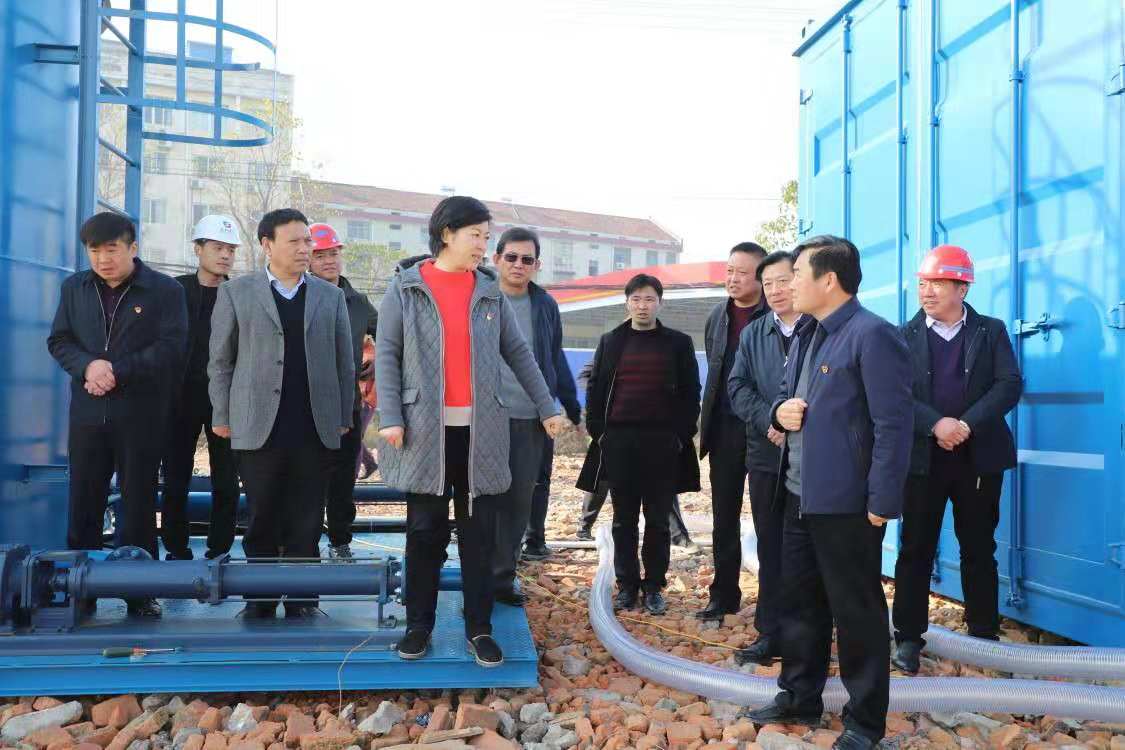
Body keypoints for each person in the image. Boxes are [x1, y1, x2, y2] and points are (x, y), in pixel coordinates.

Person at [375, 196, 566, 667]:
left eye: (486, 235)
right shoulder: (406, 287)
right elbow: (388, 353)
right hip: (424, 432)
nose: (483, 244)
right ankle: (418, 625)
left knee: (479, 534)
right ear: (447, 234)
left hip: (481, 433)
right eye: (476, 235)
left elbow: (518, 353)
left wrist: (547, 406)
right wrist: (391, 415)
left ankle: (479, 628)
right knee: (425, 532)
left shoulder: (488, 291)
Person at [745, 235, 912, 750]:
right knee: (800, 605)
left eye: (797, 273)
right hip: (798, 494)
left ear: (829, 280)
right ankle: (799, 696)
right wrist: (779, 412)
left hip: (848, 505)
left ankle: (864, 722)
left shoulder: (872, 335)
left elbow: (894, 425)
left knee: (856, 612)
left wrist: (882, 502)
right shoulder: (807, 332)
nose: (788, 282)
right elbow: (784, 397)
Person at [208, 208, 355, 619]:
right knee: (262, 514)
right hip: (257, 423)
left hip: (314, 423)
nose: (305, 248)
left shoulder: (330, 296)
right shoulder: (237, 292)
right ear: (267, 245)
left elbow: (344, 362)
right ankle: (260, 599)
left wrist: (343, 413)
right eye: (295, 241)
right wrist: (221, 413)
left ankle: (303, 600)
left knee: (307, 516)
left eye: (308, 241)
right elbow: (220, 361)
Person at [47, 211, 188, 617]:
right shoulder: (74, 288)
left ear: (132, 248)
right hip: (88, 413)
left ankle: (140, 593)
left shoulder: (164, 290)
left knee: (138, 503)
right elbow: (59, 340)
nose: (103, 259)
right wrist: (88, 367)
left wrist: (117, 371)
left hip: (141, 415)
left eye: (112, 249)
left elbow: (172, 346)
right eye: (94, 251)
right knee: (84, 502)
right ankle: (80, 592)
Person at [890, 245, 1022, 673]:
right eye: (923, 283)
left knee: (979, 547)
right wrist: (936, 425)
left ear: (962, 288)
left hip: (978, 459)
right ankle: (908, 638)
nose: (926, 291)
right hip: (922, 460)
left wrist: (964, 425)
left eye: (937, 283)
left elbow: (1008, 384)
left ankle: (983, 635)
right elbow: (894, 395)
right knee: (916, 548)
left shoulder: (990, 331)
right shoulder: (902, 337)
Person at [576, 274, 701, 616]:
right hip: (619, 441)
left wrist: (681, 434)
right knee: (623, 519)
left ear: (660, 303)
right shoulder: (611, 341)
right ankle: (627, 585)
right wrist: (599, 432)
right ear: (627, 302)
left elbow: (691, 392)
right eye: (636, 299)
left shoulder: (677, 343)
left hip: (662, 442)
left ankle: (654, 586)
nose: (642, 306)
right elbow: (595, 388)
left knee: (658, 519)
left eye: (649, 299)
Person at [487, 227, 582, 595]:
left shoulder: (545, 306)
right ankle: (478, 579)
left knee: (518, 501)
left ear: (537, 265)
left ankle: (502, 578)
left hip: (530, 416)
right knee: (483, 501)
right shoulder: (480, 298)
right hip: (485, 416)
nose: (518, 264)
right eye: (511, 257)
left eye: (527, 259)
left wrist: (569, 405)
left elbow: (554, 357)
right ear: (496, 259)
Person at [727, 250, 803, 663]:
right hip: (765, 454)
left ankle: (808, 634)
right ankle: (770, 633)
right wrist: (770, 419)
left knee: (805, 549)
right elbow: (737, 387)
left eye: (783, 280)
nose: (775, 290)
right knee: (770, 545)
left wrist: (794, 424)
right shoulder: (754, 333)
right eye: (768, 283)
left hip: (809, 459)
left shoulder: (818, 328)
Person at [160, 214, 242, 562]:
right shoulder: (173, 291)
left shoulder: (240, 295)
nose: (225, 255)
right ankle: (176, 548)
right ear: (198, 249)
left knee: (226, 480)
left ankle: (219, 549)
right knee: (175, 476)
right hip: (178, 397)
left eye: (230, 250)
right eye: (217, 247)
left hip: (226, 398)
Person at [697, 241, 769, 620]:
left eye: (742, 272)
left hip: (764, 430)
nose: (733, 279)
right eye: (729, 271)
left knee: (767, 519)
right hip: (725, 428)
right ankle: (723, 595)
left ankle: (772, 603)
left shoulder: (775, 316)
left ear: (761, 277)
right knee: (723, 516)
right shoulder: (717, 316)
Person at [307, 222, 378, 561]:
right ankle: (302, 547)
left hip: (346, 408)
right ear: (308, 259)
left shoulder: (358, 303)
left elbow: (390, 336)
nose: (329, 261)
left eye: (333, 253)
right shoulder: (299, 296)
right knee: (305, 481)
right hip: (304, 408)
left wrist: (375, 363)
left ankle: (339, 542)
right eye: (320, 255)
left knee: (342, 483)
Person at [573, 349, 694, 546]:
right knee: (603, 475)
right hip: (614, 423)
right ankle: (584, 526)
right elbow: (587, 376)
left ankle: (679, 536)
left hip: (650, 425)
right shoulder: (612, 346)